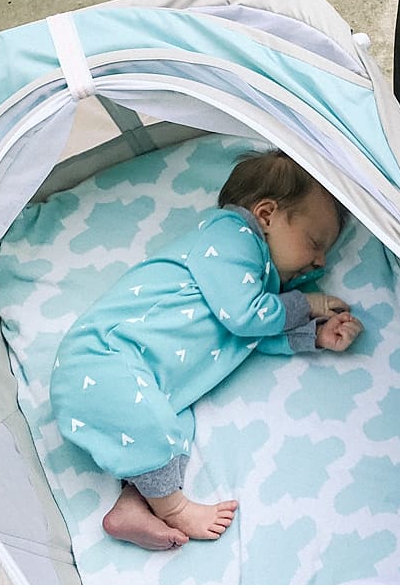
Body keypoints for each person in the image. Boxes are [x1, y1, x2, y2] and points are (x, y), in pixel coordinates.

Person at [51, 150, 364, 550]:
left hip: (146, 380)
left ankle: (136, 503)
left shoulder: (257, 287)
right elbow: (246, 318)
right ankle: (175, 508)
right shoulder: (231, 235)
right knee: (152, 425)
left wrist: (313, 337)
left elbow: (248, 338)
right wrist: (311, 303)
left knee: (174, 428)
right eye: (315, 243)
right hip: (102, 357)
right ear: (266, 214)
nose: (320, 260)